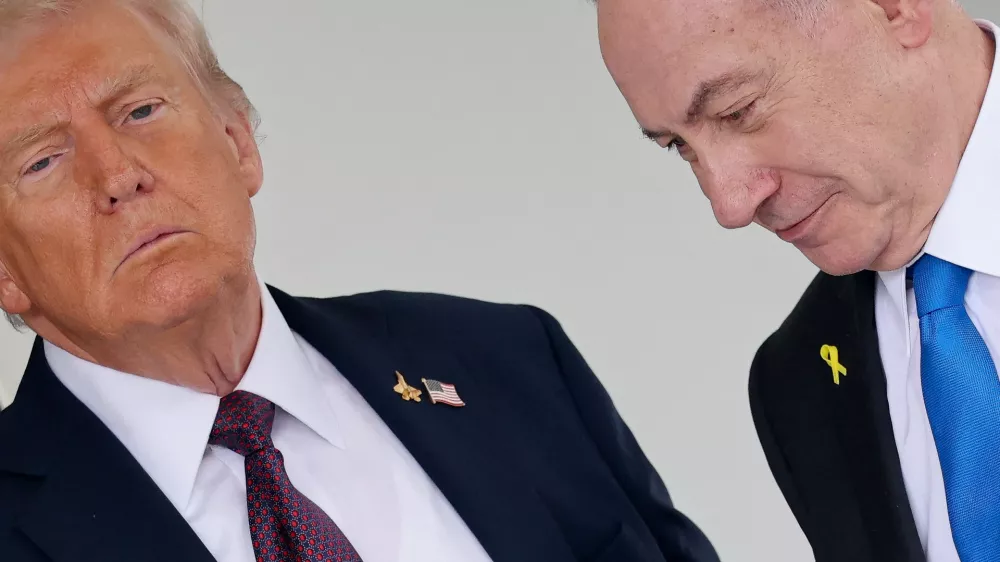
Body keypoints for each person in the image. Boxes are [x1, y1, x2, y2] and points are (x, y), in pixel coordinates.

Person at [0, 1, 721, 561]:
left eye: (141, 110)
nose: (119, 174)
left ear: (237, 141)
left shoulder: (507, 360)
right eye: (41, 162)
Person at [597, 0, 1000, 560]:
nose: (729, 204)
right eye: (680, 148)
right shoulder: (795, 380)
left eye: (737, 110)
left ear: (895, 9)